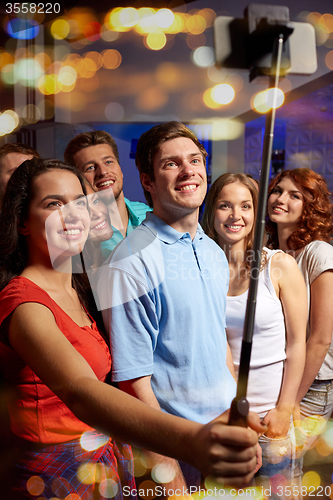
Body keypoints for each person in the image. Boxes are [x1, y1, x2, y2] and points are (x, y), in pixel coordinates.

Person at [0, 157, 264, 499]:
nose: (72, 214)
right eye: (54, 204)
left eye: (79, 202)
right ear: (22, 222)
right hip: (55, 477)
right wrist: (189, 440)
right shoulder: (23, 302)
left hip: (103, 460)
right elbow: (80, 391)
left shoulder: (79, 288)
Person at [95, 122, 261, 489]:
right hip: (177, 446)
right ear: (148, 182)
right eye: (171, 164)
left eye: (195, 160)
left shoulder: (213, 250)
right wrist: (167, 474)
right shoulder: (130, 262)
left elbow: (218, 345)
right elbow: (132, 382)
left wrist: (239, 422)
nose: (189, 171)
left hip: (224, 430)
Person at [201, 173, 307, 491]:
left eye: (246, 206)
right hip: (226, 417)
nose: (236, 216)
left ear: (256, 212)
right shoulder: (204, 270)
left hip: (271, 417)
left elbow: (297, 342)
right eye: (225, 205)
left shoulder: (279, 265)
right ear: (211, 212)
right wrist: (233, 408)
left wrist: (285, 408)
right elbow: (216, 345)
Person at [266, 167, 333, 483]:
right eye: (278, 190)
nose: (281, 199)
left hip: (313, 384)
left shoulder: (318, 252)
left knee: (286, 471)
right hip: (282, 378)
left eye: (295, 195)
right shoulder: (271, 253)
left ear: (311, 207)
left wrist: (290, 401)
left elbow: (320, 338)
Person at [64, 130, 152, 258]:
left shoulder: (151, 215)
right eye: (90, 167)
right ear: (77, 180)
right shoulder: (80, 233)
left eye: (108, 162)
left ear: (120, 168)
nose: (103, 172)